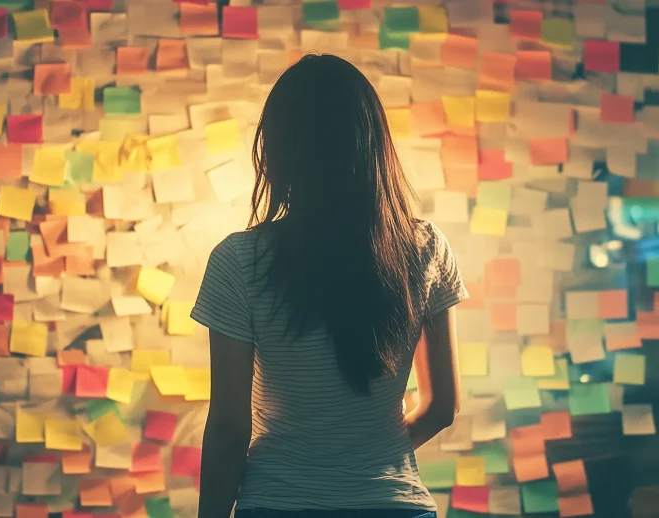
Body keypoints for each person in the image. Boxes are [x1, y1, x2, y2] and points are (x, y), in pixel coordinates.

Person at [190, 53, 469, 518]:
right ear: (374, 145)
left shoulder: (238, 260)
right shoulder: (426, 248)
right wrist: (368, 457)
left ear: (277, 150)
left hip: (279, 505)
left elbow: (228, 428)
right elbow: (442, 406)